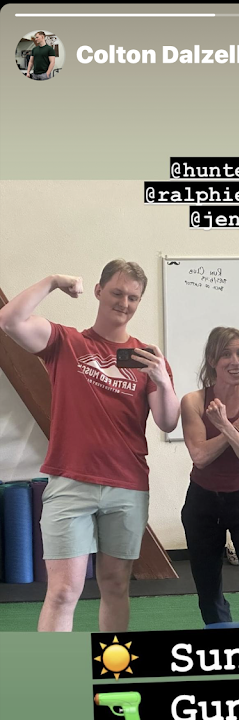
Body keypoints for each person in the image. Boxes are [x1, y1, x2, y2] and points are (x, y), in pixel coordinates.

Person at [0, 260, 180, 632]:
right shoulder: (66, 343)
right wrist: (53, 281)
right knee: (63, 591)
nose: (124, 303)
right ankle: (53, 672)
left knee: (115, 587)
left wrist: (162, 380)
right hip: (70, 483)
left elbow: (167, 421)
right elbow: (9, 321)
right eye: (117, 293)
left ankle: (113, 667)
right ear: (98, 291)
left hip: (127, 486)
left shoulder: (147, 358)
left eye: (133, 298)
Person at [180, 327, 239, 626]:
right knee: (208, 587)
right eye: (226, 354)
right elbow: (200, 457)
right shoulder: (194, 402)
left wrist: (228, 425)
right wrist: (235, 426)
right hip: (203, 502)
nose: (236, 361)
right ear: (212, 360)